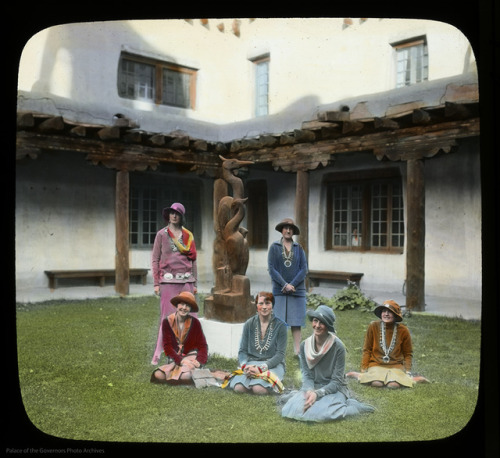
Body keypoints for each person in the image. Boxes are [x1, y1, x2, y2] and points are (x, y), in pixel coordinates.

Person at [279, 305, 374, 422]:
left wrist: (317, 394)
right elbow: (307, 375)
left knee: (322, 414)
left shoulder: (338, 347)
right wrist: (309, 390)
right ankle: (296, 396)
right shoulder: (305, 345)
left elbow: (336, 381)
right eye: (315, 321)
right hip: (313, 386)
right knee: (290, 410)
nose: (317, 326)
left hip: (333, 389)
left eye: (322, 323)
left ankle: (353, 407)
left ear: (328, 327)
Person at [151, 202, 198, 365]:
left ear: (181, 216)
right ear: (168, 215)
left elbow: (193, 260)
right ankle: (161, 352)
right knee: (168, 317)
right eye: (172, 212)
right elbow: (155, 259)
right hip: (168, 281)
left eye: (177, 213)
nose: (174, 215)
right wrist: (156, 283)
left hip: (187, 282)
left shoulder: (188, 235)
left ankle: (189, 352)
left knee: (189, 317)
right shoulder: (161, 235)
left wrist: (195, 282)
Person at [346, 300, 429, 388]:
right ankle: (359, 375)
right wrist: (364, 368)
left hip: (395, 366)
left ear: (396, 315)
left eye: (390, 312)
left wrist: (407, 371)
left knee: (393, 385)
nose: (386, 314)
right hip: (376, 365)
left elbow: (407, 353)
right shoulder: (373, 326)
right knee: (376, 383)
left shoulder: (403, 330)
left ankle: (414, 379)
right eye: (384, 311)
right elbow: (367, 349)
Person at [222, 292, 287, 395]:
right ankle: (251, 379)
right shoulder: (249, 324)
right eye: (261, 303)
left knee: (258, 389)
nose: (264, 307)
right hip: (251, 364)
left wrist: (261, 368)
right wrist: (245, 366)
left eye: (267, 303)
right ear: (256, 306)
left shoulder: (281, 326)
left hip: (272, 365)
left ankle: (263, 382)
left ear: (272, 306)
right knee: (239, 388)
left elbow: (280, 355)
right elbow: (242, 350)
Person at [268, 218, 308, 355]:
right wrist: (284, 284)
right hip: (280, 290)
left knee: (296, 321)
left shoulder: (299, 248)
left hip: (297, 290)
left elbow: (304, 269)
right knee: (278, 322)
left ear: (293, 232)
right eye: (285, 228)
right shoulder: (274, 247)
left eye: (290, 229)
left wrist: (292, 285)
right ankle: (278, 351)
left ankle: (297, 351)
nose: (288, 230)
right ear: (282, 230)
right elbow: (272, 268)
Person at [151, 291, 208, 384]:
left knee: (186, 375)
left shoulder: (195, 323)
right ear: (177, 306)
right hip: (175, 358)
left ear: (190, 309)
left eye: (188, 306)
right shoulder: (167, 322)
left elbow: (203, 345)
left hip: (190, 357)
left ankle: (186, 375)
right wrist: (180, 360)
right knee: (158, 374)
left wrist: (200, 361)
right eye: (182, 304)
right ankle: (180, 375)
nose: (184, 308)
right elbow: (167, 347)